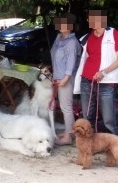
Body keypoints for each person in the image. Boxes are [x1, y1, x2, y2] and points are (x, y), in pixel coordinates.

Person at [74, 9, 118, 136]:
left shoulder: (115, 35)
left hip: (106, 83)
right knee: (87, 118)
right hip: (86, 81)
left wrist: (104, 72)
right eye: (91, 19)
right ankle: (90, 146)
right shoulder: (86, 38)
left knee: (109, 119)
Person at [51, 12, 82, 145]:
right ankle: (70, 133)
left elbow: (71, 62)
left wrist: (64, 78)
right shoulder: (59, 38)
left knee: (66, 107)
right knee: (64, 107)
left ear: (71, 26)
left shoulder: (72, 42)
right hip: (58, 76)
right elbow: (55, 58)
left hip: (66, 78)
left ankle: (69, 137)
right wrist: (55, 75)